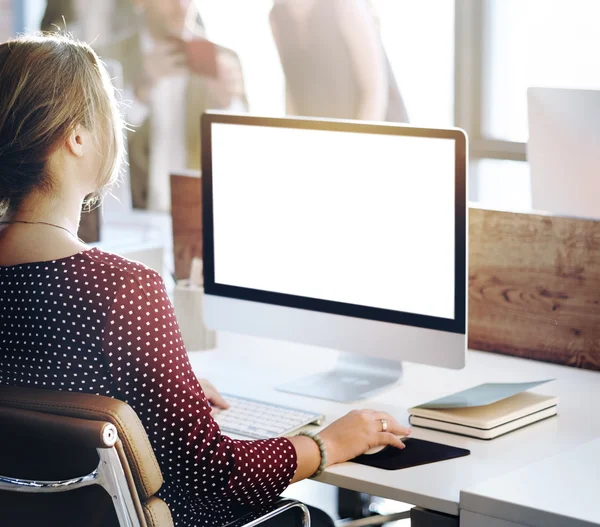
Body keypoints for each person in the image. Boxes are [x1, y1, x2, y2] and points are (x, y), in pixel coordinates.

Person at [0, 34, 411, 527]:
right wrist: (328, 444)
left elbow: (40, 388)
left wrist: (158, 386)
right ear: (78, 137)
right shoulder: (122, 291)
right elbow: (214, 476)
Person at [99, 0, 247, 212]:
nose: (181, 6)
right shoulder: (109, 58)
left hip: (199, 212)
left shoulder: (224, 59)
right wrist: (139, 92)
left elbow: (240, 154)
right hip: (130, 216)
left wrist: (226, 104)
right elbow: (98, 146)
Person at [270, 0, 409, 123]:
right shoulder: (276, 16)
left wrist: (356, 140)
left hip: (377, 125)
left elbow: (375, 89)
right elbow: (293, 87)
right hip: (327, 130)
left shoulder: (346, 4)